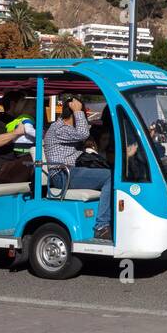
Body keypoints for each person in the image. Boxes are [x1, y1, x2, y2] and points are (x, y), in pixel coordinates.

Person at [44, 95, 114, 239]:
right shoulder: (60, 128)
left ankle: (110, 218)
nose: (84, 119)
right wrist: (78, 111)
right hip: (63, 174)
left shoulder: (66, 129)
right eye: (82, 114)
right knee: (110, 177)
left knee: (114, 173)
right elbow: (83, 133)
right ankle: (101, 226)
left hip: (71, 171)